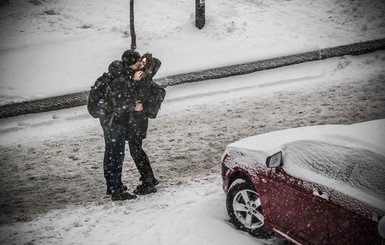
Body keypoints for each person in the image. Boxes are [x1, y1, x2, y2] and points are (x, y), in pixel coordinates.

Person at [100, 50, 142, 201]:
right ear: (131, 63)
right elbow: (119, 105)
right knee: (116, 156)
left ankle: (112, 185)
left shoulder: (118, 74)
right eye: (137, 61)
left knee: (110, 153)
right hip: (114, 122)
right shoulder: (121, 79)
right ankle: (117, 191)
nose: (139, 64)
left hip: (106, 120)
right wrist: (134, 106)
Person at [124, 52, 162, 195]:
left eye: (143, 62)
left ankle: (148, 180)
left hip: (137, 120)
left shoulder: (142, 77)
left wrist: (134, 81)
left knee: (136, 151)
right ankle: (148, 177)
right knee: (137, 150)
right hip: (137, 119)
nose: (140, 63)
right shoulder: (144, 75)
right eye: (140, 61)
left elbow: (135, 96)